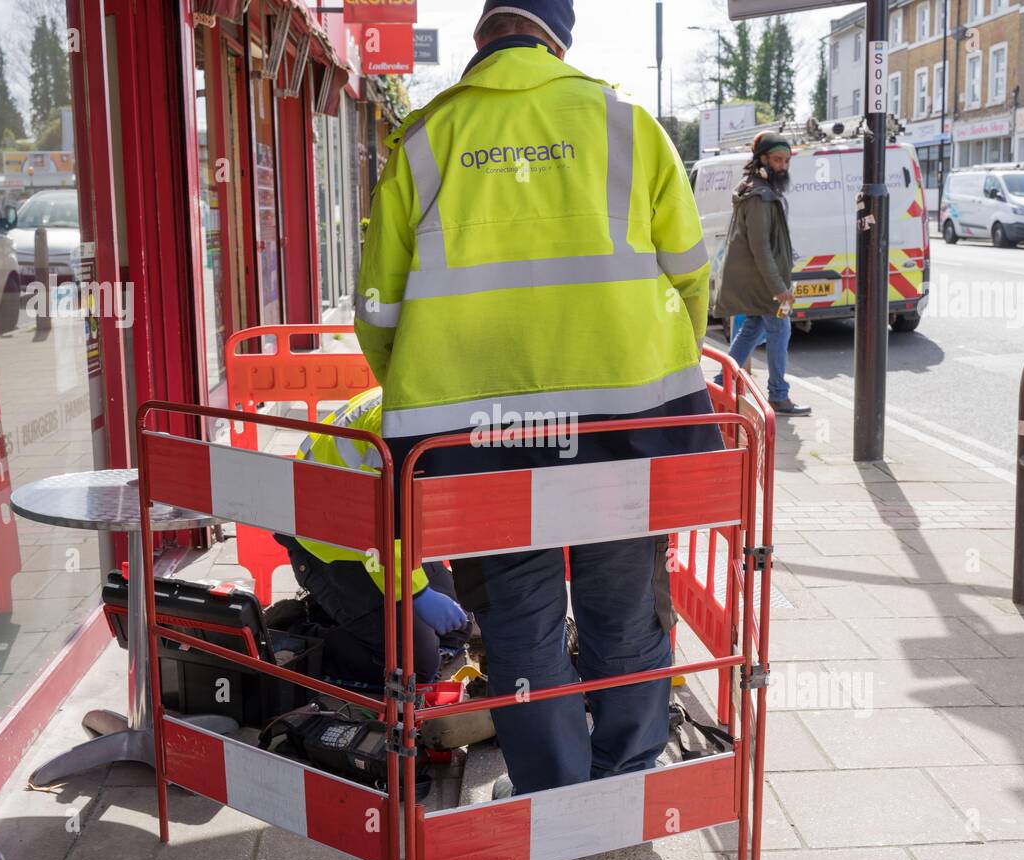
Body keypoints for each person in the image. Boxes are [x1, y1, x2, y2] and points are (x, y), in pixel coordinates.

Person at [353, 0, 716, 795]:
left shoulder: (422, 140)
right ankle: (622, 777)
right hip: (625, 428)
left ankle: (551, 791)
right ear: (557, 41)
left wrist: (426, 395)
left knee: (520, 619)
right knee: (622, 608)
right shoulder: (625, 125)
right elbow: (690, 275)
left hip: (475, 437)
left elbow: (378, 311)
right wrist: (661, 372)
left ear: (483, 39)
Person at [283, 387, 469, 687]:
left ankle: (350, 616)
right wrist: (417, 593)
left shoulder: (426, 401)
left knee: (456, 630)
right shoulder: (399, 423)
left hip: (377, 539)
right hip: (329, 547)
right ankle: (295, 639)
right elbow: (386, 520)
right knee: (416, 667)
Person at [715, 131, 812, 417]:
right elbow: (760, 248)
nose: (783, 165)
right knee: (781, 330)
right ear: (762, 160)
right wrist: (779, 287)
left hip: (761, 282)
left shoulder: (761, 190)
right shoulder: (759, 196)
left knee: (752, 329)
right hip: (765, 284)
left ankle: (722, 383)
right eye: (777, 159)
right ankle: (779, 395)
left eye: (786, 160)